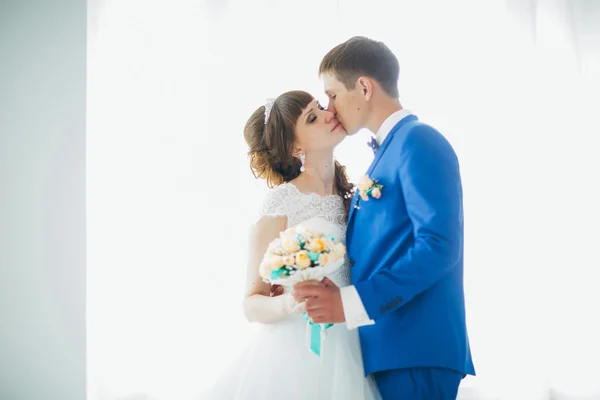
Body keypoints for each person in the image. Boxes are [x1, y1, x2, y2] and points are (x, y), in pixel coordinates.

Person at [293, 36, 476, 399]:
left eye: (331, 95)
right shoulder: (387, 153)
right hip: (389, 350)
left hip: (416, 351)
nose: (330, 108)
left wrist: (350, 303)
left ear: (363, 87)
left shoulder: (419, 141)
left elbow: (438, 246)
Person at [205, 90, 381, 399]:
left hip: (353, 342)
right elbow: (252, 302)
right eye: (312, 118)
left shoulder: (353, 198)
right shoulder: (282, 201)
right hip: (295, 348)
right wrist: (291, 302)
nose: (329, 115)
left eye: (320, 107)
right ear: (294, 147)